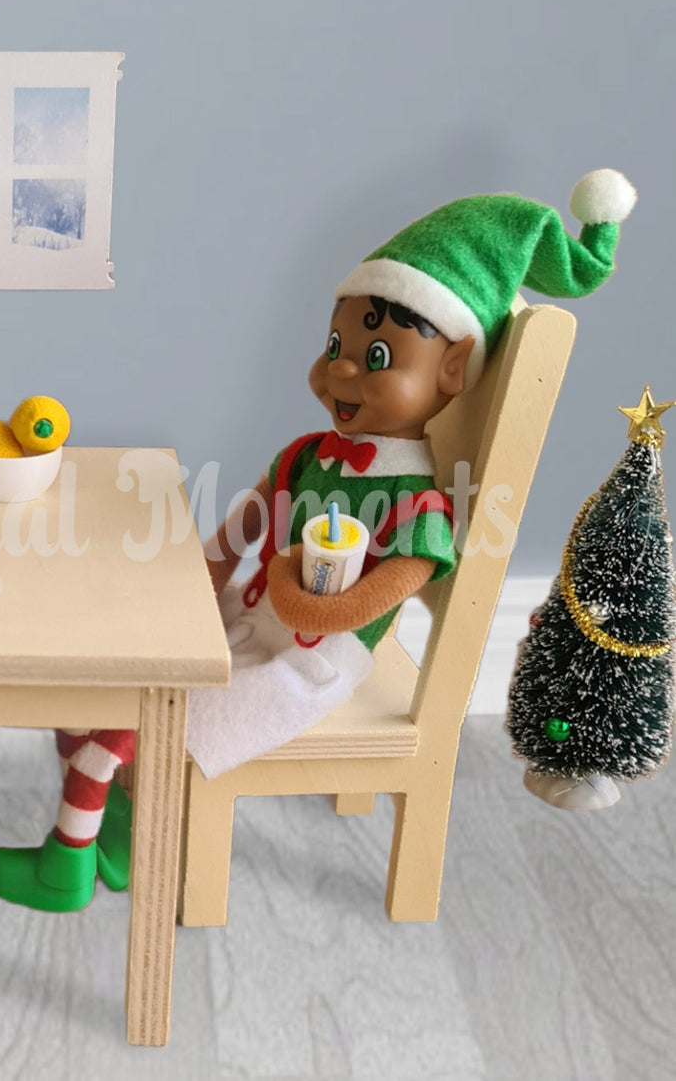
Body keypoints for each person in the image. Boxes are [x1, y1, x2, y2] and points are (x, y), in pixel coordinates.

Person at [189, 169, 637, 777]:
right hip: (257, 610)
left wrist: (314, 610)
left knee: (182, 721)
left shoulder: (415, 500)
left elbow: (401, 576)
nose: (341, 373)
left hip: (312, 659)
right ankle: (105, 809)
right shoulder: (304, 456)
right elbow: (245, 524)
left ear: (451, 368)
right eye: (335, 348)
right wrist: (198, 581)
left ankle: (91, 841)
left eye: (376, 357)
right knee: (139, 665)